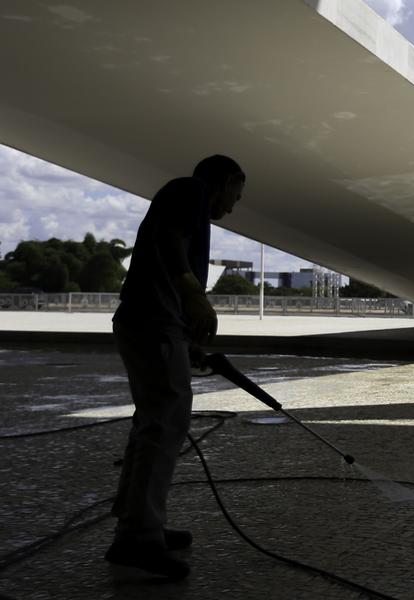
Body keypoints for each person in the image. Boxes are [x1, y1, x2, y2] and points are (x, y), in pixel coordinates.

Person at [106, 155, 245, 579]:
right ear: (222, 181)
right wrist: (191, 293)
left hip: (155, 325)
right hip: (152, 322)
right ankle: (139, 538)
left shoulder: (191, 204)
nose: (232, 207)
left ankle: (138, 523)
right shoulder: (190, 190)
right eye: (234, 195)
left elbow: (168, 256)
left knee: (152, 423)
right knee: (165, 424)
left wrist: (186, 341)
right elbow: (169, 240)